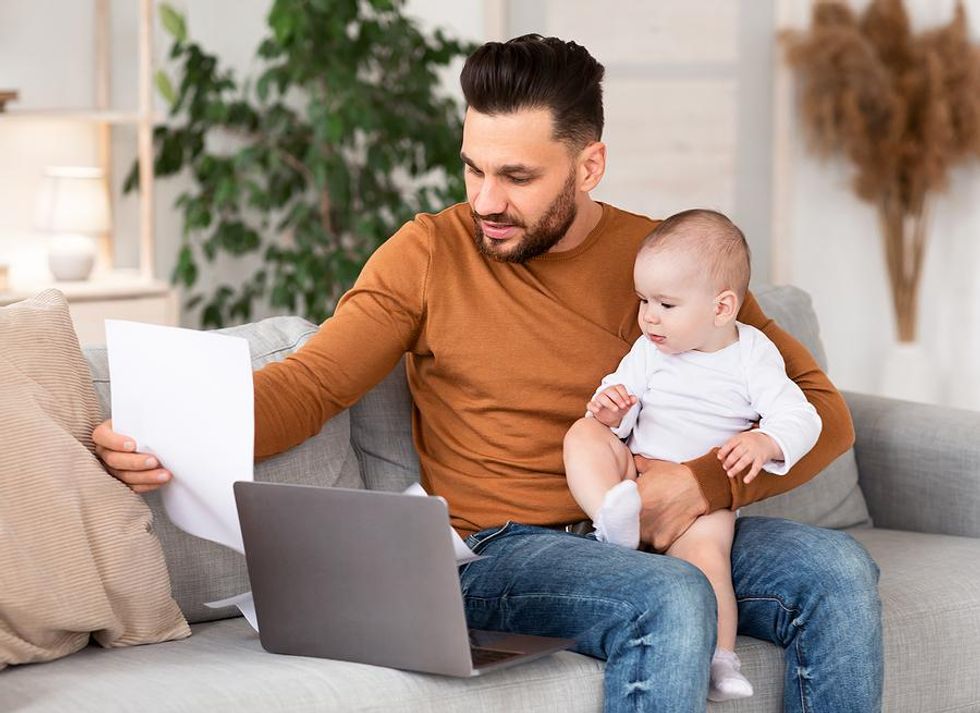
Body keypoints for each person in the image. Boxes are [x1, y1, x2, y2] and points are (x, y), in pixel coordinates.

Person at [92, 34, 882, 713]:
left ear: (589, 164)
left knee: (839, 572)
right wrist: (160, 422)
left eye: (517, 176)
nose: (486, 201)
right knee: (668, 596)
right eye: (473, 170)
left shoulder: (665, 262)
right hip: (503, 549)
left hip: (655, 527)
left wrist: (705, 483)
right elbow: (313, 385)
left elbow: (824, 413)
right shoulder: (430, 252)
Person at [563, 209, 823, 702]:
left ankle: (722, 660)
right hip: (634, 471)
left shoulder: (752, 355)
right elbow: (619, 395)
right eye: (643, 301)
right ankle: (608, 516)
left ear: (722, 308)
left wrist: (766, 442)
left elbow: (803, 416)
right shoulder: (649, 350)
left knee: (707, 564)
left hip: (703, 502)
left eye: (666, 303)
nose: (648, 316)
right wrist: (610, 409)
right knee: (583, 434)